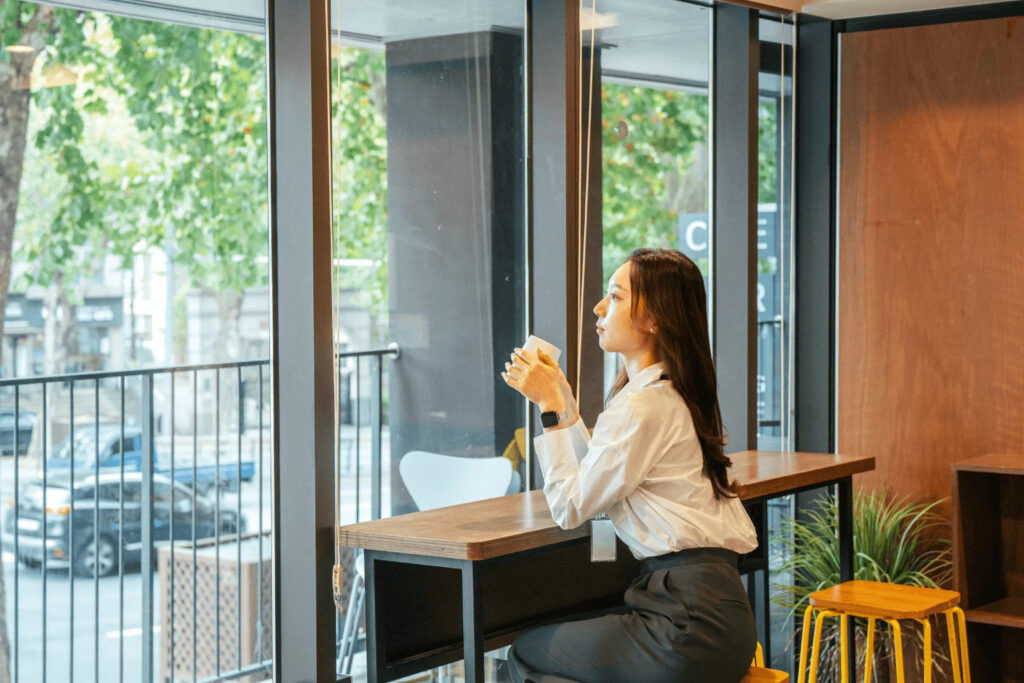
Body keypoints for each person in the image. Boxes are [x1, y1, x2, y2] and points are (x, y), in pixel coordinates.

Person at [500, 248, 758, 683]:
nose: (599, 307)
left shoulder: (641, 406)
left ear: (653, 318)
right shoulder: (669, 394)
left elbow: (570, 507)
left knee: (525, 653)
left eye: (616, 296)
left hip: (683, 627)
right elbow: (599, 477)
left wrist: (549, 408)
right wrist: (564, 403)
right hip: (723, 622)